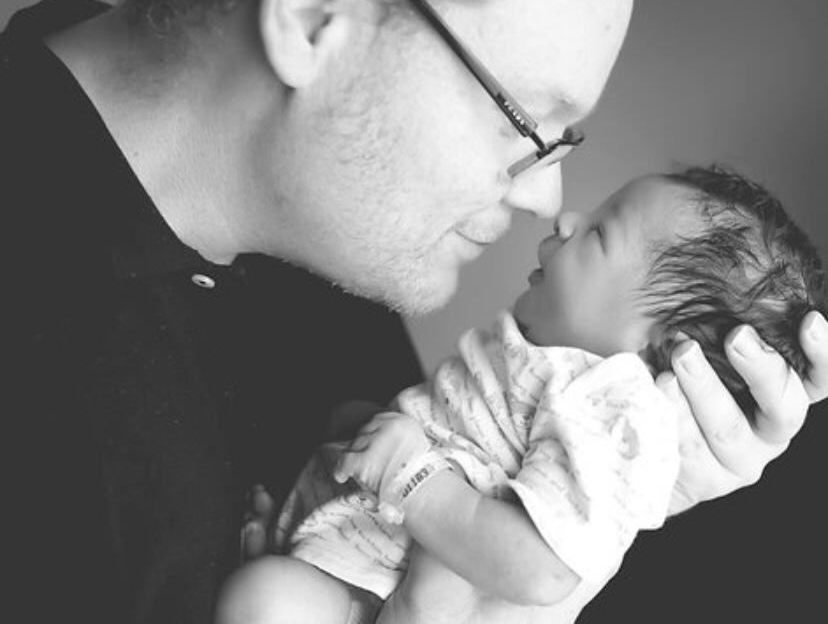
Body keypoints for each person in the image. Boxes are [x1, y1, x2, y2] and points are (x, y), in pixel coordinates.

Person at [4, 0, 827, 623]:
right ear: (315, 14)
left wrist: (626, 504)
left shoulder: (333, 256)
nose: (546, 200)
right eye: (525, 121)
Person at [215, 165, 826, 623]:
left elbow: (540, 570)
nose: (566, 220)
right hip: (372, 550)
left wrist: (412, 476)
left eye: (599, 234)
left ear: (660, 344)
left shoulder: (616, 407)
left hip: (382, 596)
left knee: (263, 602)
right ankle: (302, 543)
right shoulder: (552, 364)